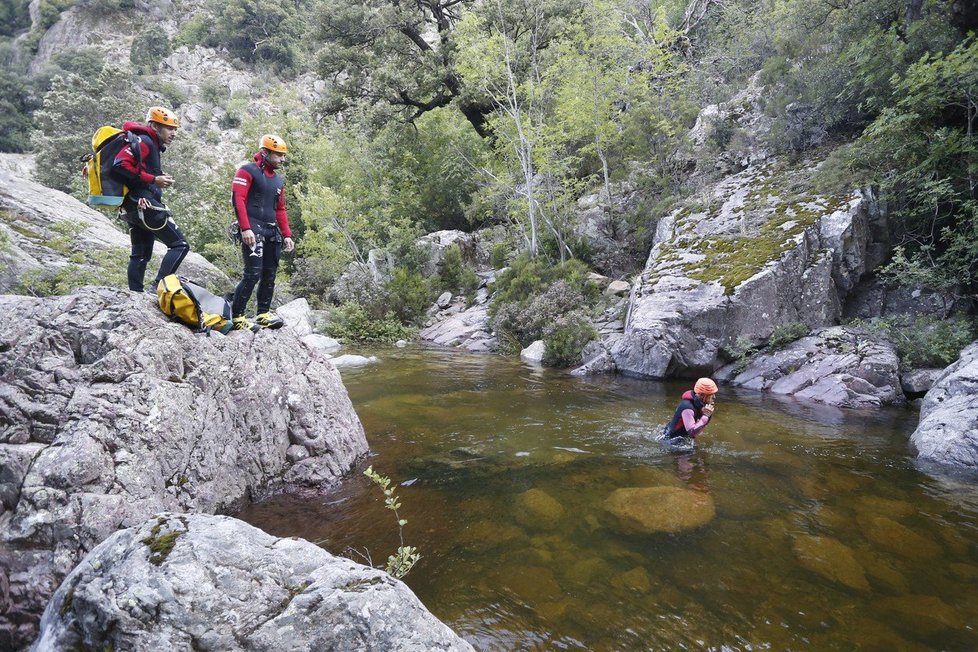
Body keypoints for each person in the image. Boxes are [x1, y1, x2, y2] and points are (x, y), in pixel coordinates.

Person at [112, 106, 189, 293]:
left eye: (175, 129)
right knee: (180, 245)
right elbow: (120, 165)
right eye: (169, 128)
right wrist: (153, 179)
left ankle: (135, 294)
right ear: (154, 126)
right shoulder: (145, 141)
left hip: (132, 206)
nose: (173, 133)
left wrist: (156, 176)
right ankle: (157, 288)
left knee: (140, 254)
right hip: (144, 205)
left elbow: (134, 172)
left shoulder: (148, 143)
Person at [228, 134, 295, 331]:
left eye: (284, 155)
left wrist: (287, 234)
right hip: (253, 228)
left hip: (271, 231)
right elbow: (238, 199)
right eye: (279, 155)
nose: (283, 159)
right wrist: (245, 227)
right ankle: (237, 317)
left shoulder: (278, 181)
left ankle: (263, 314)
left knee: (269, 274)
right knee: (252, 273)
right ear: (265, 152)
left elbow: (280, 209)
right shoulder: (247, 170)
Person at [662, 377, 718, 443]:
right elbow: (692, 433)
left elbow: (700, 428)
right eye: (711, 394)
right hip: (671, 440)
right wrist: (705, 416)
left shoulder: (699, 404)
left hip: (683, 437)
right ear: (702, 395)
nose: (714, 397)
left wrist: (706, 415)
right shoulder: (687, 407)